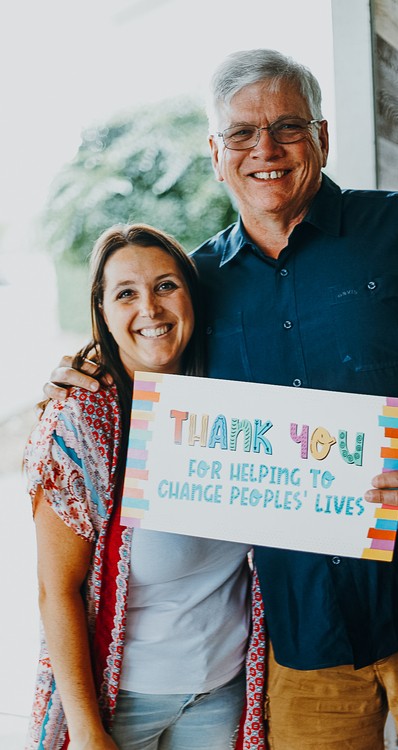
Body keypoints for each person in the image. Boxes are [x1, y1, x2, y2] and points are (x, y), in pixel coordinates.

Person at [44, 49, 398, 750]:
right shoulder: (196, 286)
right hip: (303, 635)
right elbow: (140, 345)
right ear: (216, 154)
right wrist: (77, 372)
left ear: (323, 137)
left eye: (288, 126)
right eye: (241, 133)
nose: (266, 149)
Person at [25, 223, 265, 750]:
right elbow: (56, 590)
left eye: (165, 286)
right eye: (125, 294)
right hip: (123, 702)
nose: (150, 309)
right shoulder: (81, 423)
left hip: (225, 693)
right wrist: (87, 730)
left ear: (191, 296)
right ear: (102, 311)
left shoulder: (237, 406)